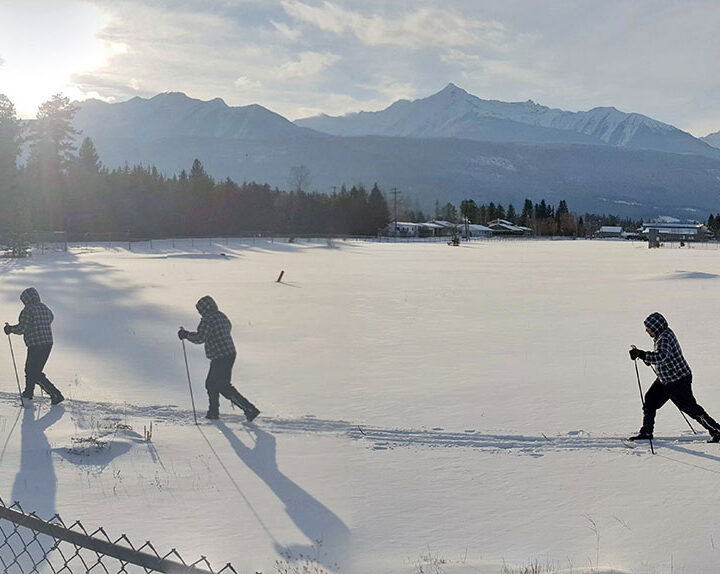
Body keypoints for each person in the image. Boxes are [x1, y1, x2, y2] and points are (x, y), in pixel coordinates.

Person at [628, 312, 720, 442]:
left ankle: (716, 430)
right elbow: (663, 356)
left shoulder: (664, 338)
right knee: (650, 400)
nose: (646, 331)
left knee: (690, 408)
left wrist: (642, 354)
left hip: (678, 380)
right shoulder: (662, 334)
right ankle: (647, 432)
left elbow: (661, 357)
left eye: (648, 328)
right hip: (666, 379)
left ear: (655, 327)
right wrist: (645, 357)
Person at [178, 295, 259, 421]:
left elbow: (200, 338)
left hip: (220, 356)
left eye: (200, 310)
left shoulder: (207, 320)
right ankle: (213, 412)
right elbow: (221, 330)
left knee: (223, 386)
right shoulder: (221, 316)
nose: (200, 313)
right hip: (229, 353)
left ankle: (249, 409)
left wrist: (186, 335)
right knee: (211, 383)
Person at [4, 287, 64, 405]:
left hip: (35, 344)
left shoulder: (28, 310)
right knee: (33, 370)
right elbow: (51, 318)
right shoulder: (45, 307)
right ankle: (28, 393)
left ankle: (55, 394)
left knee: (33, 372)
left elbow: (22, 328)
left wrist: (10, 329)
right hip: (48, 343)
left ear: (26, 299)